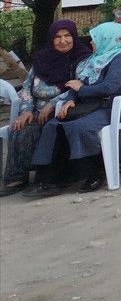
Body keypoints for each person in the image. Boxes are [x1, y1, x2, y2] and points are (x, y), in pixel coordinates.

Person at [29, 21, 121, 194]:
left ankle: (93, 174)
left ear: (108, 38)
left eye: (95, 39)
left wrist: (81, 90)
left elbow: (108, 88)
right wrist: (71, 99)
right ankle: (48, 179)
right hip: (95, 106)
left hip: (117, 109)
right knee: (54, 124)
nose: (91, 43)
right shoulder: (98, 59)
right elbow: (81, 82)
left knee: (79, 126)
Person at [1, 19, 91, 195]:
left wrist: (52, 104)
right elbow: (26, 87)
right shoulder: (42, 59)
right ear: (51, 39)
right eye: (58, 37)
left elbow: (80, 87)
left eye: (67, 36)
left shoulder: (82, 58)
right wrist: (26, 110)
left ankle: (48, 178)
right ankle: (18, 177)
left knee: (45, 129)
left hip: (64, 109)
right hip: (35, 109)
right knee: (21, 127)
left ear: (74, 36)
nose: (63, 40)